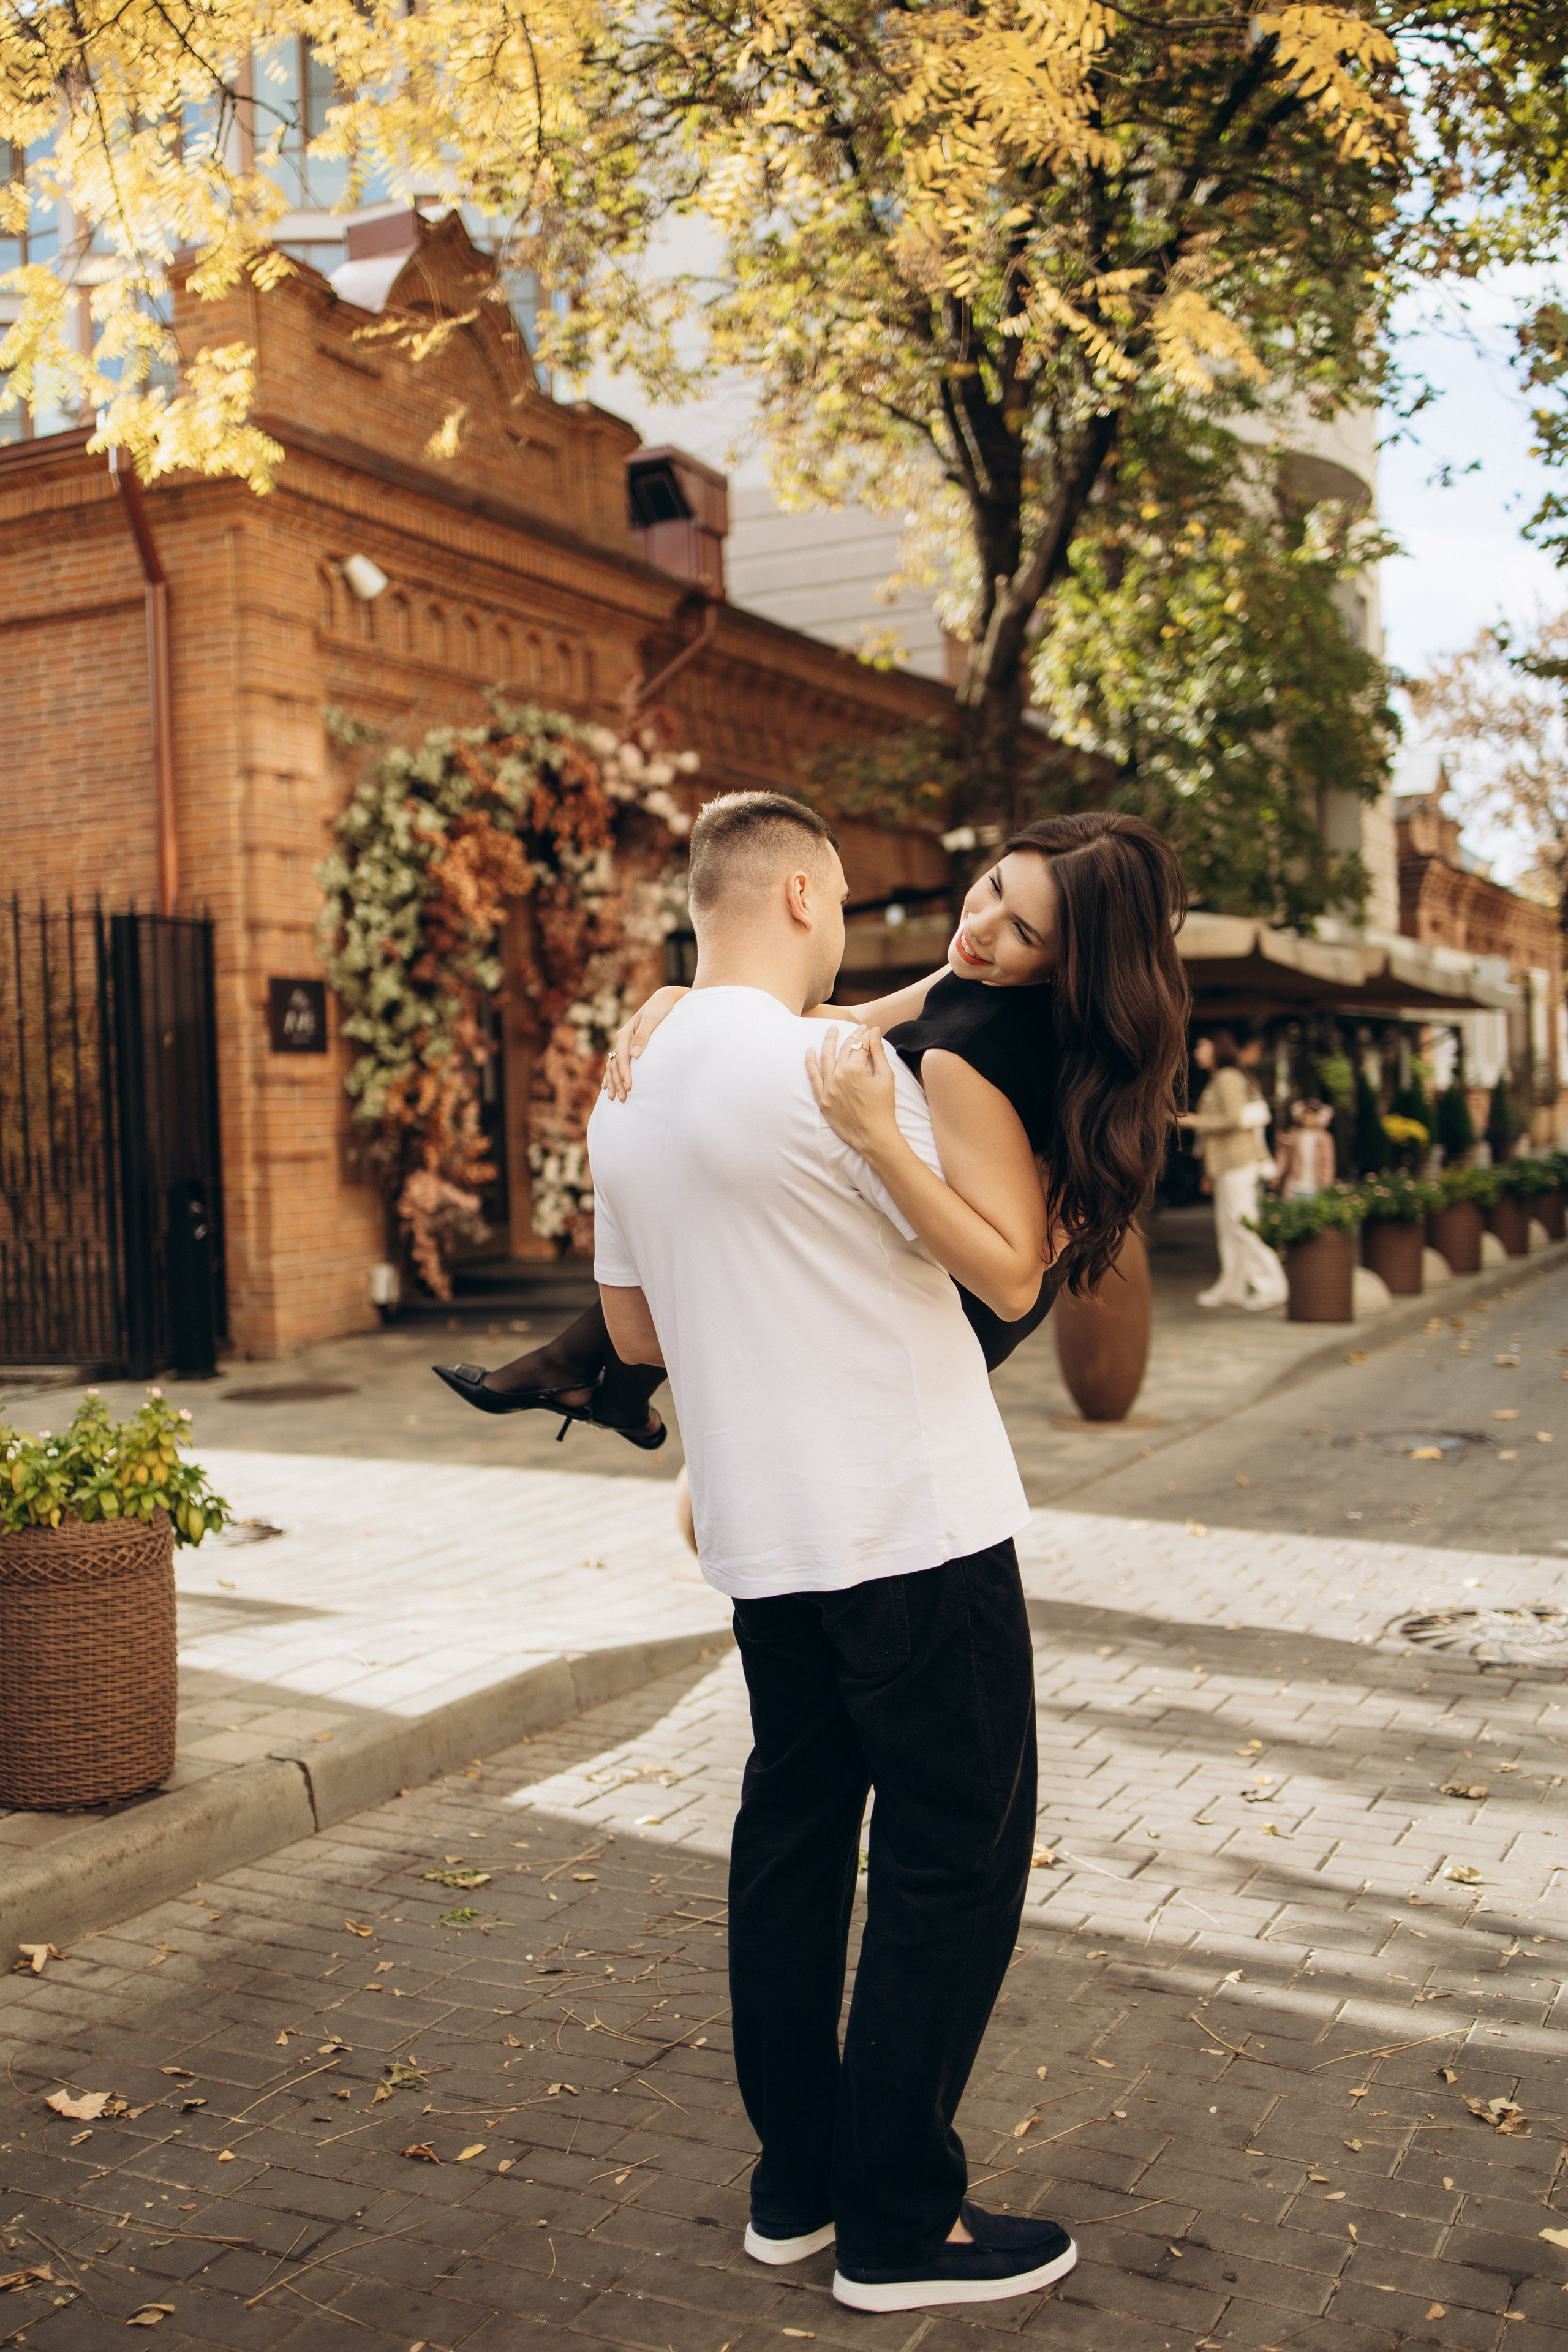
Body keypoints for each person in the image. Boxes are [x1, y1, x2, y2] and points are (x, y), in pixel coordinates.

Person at [582, 790, 1074, 2313]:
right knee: (953, 1854)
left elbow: (632, 1334)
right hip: (912, 1521)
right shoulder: (844, 1076)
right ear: (801, 893)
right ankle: (898, 2220)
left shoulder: (624, 1089)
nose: (851, 922)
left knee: (791, 1841)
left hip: (762, 1538)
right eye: (846, 896)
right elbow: (1000, 1258)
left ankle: (795, 2187)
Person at [433, 809, 1191, 1434]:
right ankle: (599, 1385)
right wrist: (683, 1001)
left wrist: (879, 1140)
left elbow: (1014, 1276)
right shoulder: (979, 975)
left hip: (959, 1299)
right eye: (992, 886)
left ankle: (588, 1377)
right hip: (925, 1259)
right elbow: (847, 1018)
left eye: (1022, 931)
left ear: (1063, 965)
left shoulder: (977, 1051)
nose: (982, 925)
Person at [1179, 1028, 1287, 1310]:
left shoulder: (1227, 1078)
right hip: (1229, 1164)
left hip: (1238, 1163)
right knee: (1230, 1229)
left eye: (1202, 1046)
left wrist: (1193, 1121)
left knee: (1242, 1225)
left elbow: (1234, 1118)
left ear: (1217, 1048)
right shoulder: (1223, 1077)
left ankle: (1271, 1286)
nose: (1196, 1053)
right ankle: (1232, 1288)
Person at [1274, 1098, 1336, 1200]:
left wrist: (1326, 1185)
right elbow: (1283, 1159)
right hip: (1294, 1187)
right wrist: (1276, 1177)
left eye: (1312, 1114)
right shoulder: (1293, 1135)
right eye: (1306, 1113)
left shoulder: (1325, 1138)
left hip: (1315, 1188)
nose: (1308, 1117)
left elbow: (1328, 1163)